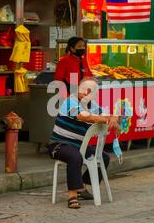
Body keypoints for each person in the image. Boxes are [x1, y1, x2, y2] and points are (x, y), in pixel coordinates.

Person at [48, 77, 121, 209]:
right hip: (59, 145)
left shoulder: (93, 106)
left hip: (80, 146)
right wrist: (105, 119)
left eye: (90, 91)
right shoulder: (70, 101)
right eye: (84, 89)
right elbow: (83, 116)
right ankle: (72, 195)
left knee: (104, 157)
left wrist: (114, 118)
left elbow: (110, 115)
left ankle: (82, 187)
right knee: (75, 157)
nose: (86, 93)